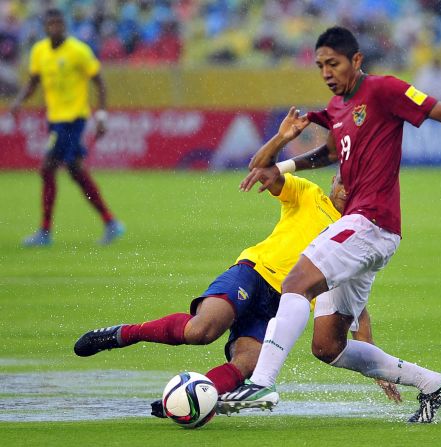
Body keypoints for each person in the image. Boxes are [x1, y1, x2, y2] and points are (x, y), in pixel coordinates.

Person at [223, 26, 441, 423]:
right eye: (321, 65)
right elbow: (326, 152)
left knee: (295, 283)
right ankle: (433, 383)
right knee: (328, 347)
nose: (327, 72)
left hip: (371, 222)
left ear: (356, 60)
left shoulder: (383, 91)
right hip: (367, 231)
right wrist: (285, 162)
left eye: (334, 63)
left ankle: (262, 383)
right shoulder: (337, 109)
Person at [73, 108, 401, 416]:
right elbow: (266, 171)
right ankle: (123, 334)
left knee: (249, 364)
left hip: (281, 305)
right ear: (332, 181)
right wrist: (281, 138)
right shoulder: (308, 194)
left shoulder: (357, 235)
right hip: (254, 273)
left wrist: (377, 368)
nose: (344, 189)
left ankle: (187, 402)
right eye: (341, 181)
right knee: (202, 330)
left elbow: (357, 309)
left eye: (352, 186)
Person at [9, 8, 124, 247]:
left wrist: (101, 116)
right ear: (45, 27)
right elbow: (33, 82)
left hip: (74, 119)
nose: (56, 28)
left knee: (47, 167)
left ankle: (45, 232)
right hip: (55, 119)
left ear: (65, 25)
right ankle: (110, 221)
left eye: (59, 24)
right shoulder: (39, 51)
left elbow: (99, 82)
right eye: (51, 24)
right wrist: (19, 101)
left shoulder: (78, 51)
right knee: (74, 170)